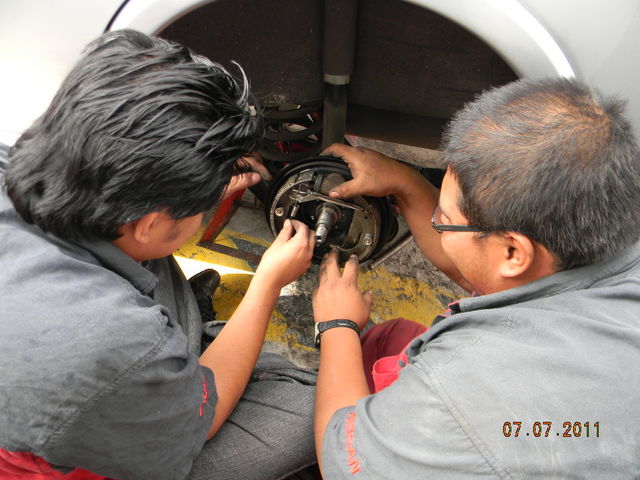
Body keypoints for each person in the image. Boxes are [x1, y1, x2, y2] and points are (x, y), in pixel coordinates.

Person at [0, 30, 317, 480]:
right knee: (306, 405)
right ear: (147, 222)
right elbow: (199, 423)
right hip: (51, 451)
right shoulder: (117, 343)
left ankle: (189, 340)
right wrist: (268, 283)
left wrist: (184, 191)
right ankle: (192, 348)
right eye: (203, 206)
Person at [312, 78, 640, 478]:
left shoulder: (463, 401)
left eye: (445, 221)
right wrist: (405, 182)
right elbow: (487, 273)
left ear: (512, 252)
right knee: (390, 338)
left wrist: (336, 325)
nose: (437, 224)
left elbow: (341, 462)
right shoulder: (601, 243)